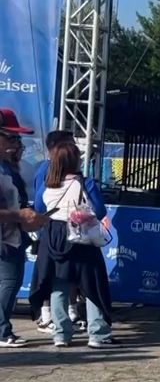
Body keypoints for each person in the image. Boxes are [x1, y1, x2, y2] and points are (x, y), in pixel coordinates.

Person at [28, 140, 115, 348]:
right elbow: (100, 211)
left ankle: (61, 334)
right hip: (80, 236)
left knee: (59, 285)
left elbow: (39, 209)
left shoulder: (46, 186)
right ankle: (98, 334)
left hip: (53, 237)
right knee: (90, 284)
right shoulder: (86, 184)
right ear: (76, 161)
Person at [0, 112, 48, 347]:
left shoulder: (9, 168)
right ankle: (1, 330)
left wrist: (28, 216)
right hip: (6, 240)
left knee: (11, 280)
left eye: (18, 140)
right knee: (9, 281)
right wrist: (19, 215)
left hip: (12, 237)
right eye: (11, 138)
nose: (17, 145)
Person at [31, 129, 78, 333]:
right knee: (50, 275)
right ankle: (46, 315)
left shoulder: (64, 172)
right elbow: (40, 204)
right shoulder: (46, 170)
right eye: (69, 143)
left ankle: (67, 312)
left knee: (62, 276)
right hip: (50, 231)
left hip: (54, 231)